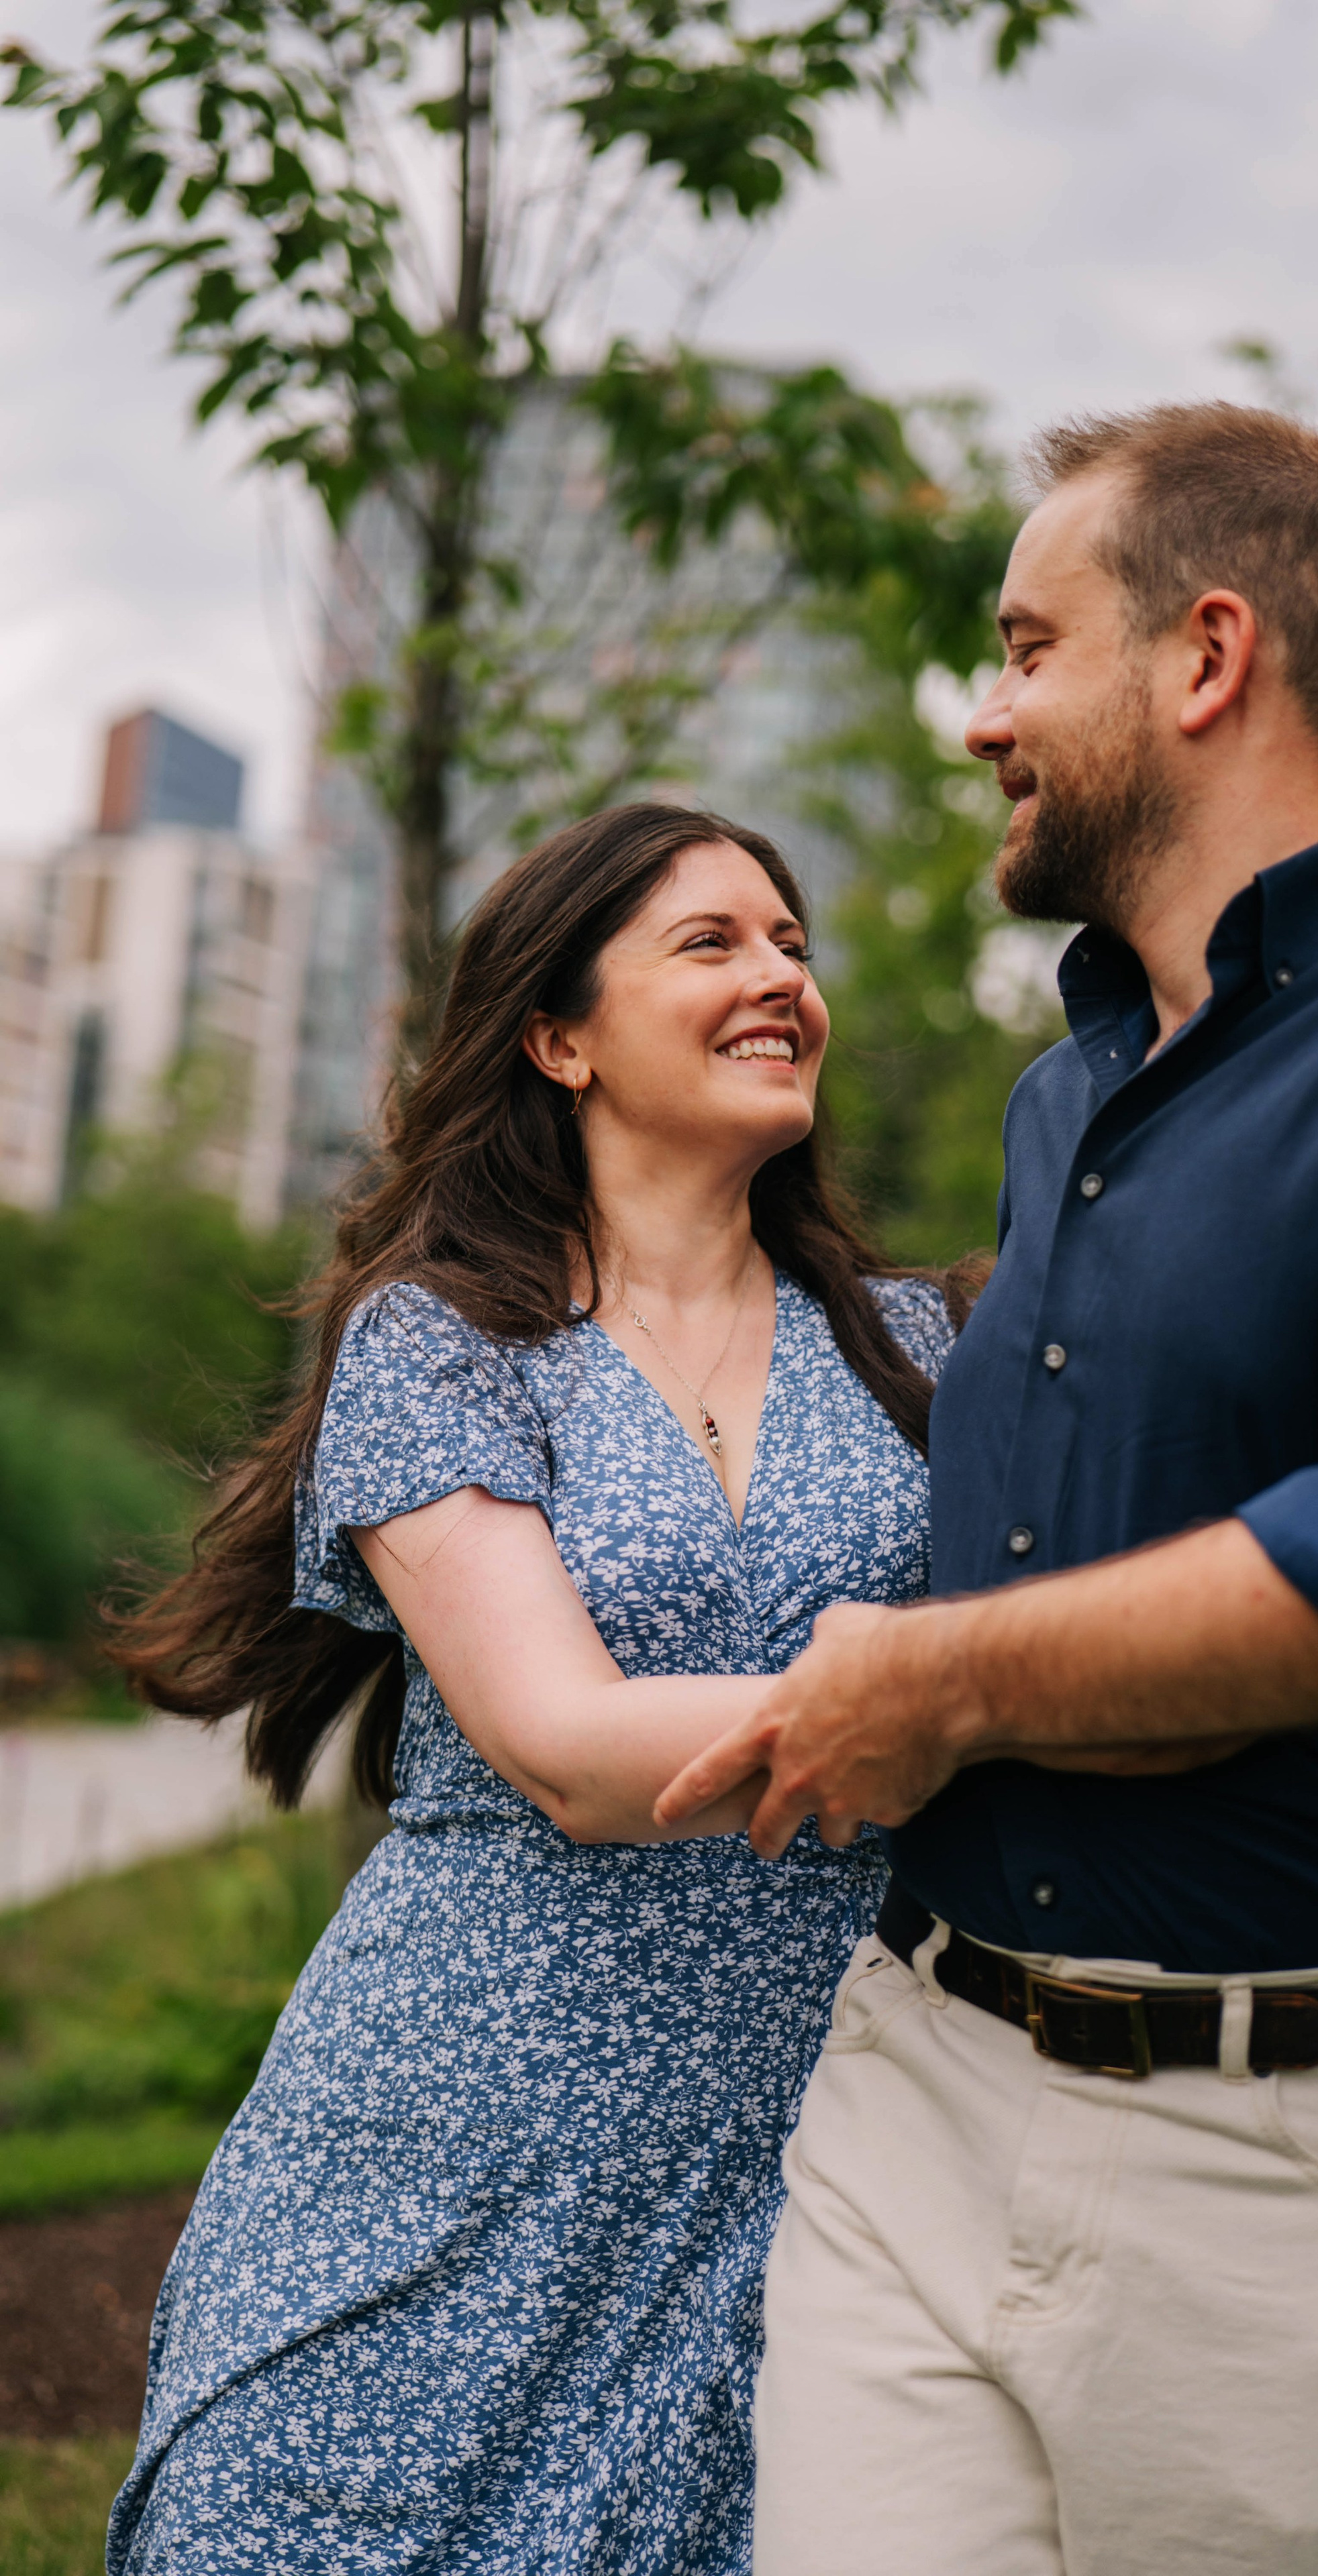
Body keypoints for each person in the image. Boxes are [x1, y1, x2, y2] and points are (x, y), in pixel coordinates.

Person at [658, 404, 1318, 2576]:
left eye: (1033, 643)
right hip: (920, 2099)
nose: (985, 715)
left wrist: (941, 1684)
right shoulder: (1068, 1101)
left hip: (1311, 2192)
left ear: (1208, 654)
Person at [104, 803, 962, 2574]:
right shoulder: (448, 1339)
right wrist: (962, 1705)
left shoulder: (918, 1352)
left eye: (792, 942)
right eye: (712, 943)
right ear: (559, 1038)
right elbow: (565, 1747)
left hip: (786, 2186)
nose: (780, 976)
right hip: (437, 2161)